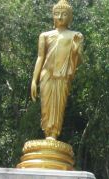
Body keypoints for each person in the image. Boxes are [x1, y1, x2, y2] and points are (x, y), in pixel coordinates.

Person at [31, 0, 83, 140]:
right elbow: (40, 57)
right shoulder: (45, 35)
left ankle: (53, 133)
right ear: (52, 16)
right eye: (56, 14)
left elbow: (77, 62)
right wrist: (34, 81)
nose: (60, 17)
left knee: (58, 107)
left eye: (64, 14)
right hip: (46, 74)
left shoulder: (75, 35)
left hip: (62, 75)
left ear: (70, 17)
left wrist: (76, 49)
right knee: (46, 107)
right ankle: (47, 132)